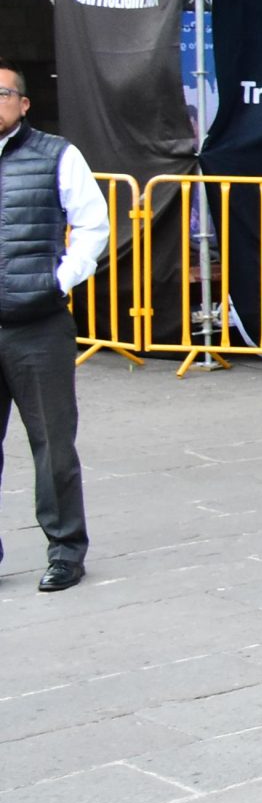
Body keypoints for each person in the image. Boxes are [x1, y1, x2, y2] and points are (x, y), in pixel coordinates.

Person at [0, 61, 110, 593]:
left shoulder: (56, 155)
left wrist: (58, 281)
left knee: (52, 445)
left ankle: (66, 550)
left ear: (23, 104)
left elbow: (93, 223)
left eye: (1, 93)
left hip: (36, 325)